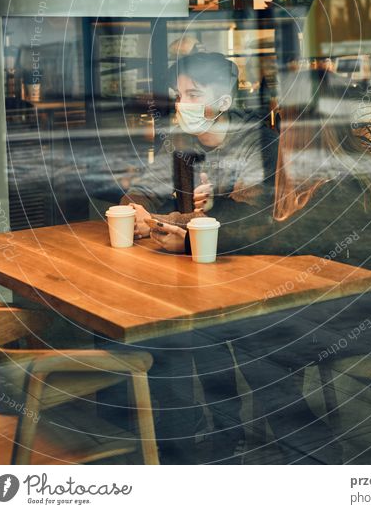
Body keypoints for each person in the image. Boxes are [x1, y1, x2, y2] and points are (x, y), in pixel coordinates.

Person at [151, 68, 371, 463]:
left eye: (283, 116)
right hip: (337, 301)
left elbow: (284, 236)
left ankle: (311, 452)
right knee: (226, 331)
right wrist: (199, 221)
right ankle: (248, 440)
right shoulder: (328, 166)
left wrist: (194, 237)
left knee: (245, 338)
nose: (277, 126)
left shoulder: (341, 179)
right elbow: (268, 223)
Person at [121, 51, 278, 463]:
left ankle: (222, 436)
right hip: (200, 277)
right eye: (179, 94)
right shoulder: (182, 140)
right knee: (172, 330)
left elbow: (253, 219)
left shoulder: (257, 143)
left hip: (250, 275)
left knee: (196, 335)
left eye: (194, 94)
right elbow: (143, 188)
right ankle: (198, 440)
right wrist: (136, 209)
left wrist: (182, 222)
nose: (181, 104)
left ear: (223, 103)